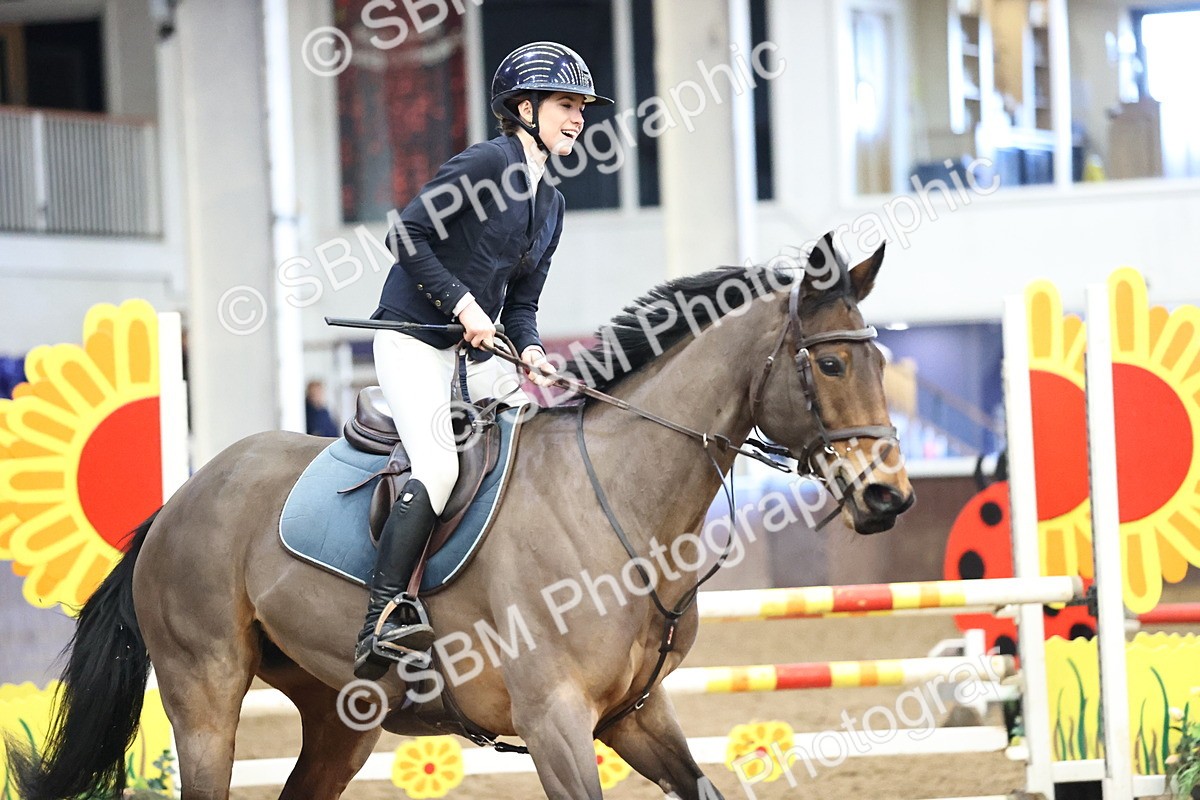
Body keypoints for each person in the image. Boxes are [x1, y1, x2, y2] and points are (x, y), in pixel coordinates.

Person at [354, 42, 612, 679]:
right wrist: (463, 303)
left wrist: (529, 348)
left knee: (537, 451)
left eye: (581, 107)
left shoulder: (549, 205)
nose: (577, 118)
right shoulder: (484, 163)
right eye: (564, 105)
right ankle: (382, 613)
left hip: (478, 354)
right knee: (440, 464)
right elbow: (405, 234)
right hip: (413, 339)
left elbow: (522, 304)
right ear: (523, 108)